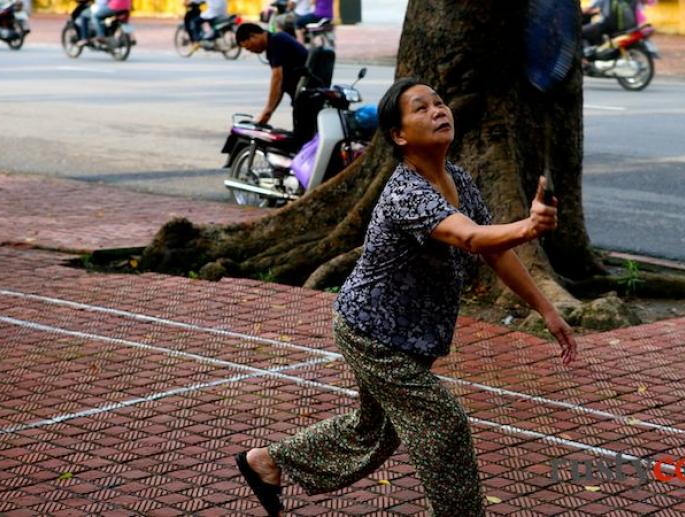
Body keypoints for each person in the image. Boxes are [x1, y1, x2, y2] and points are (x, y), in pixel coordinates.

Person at [233, 78, 578, 517]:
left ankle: (266, 463)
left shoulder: (458, 178)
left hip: (410, 336)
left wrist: (547, 310)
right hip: (371, 332)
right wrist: (529, 227)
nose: (438, 110)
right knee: (442, 424)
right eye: (421, 108)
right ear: (399, 135)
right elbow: (470, 237)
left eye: (439, 101)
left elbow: (493, 247)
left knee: (370, 431)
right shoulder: (405, 193)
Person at [237, 23, 314, 138]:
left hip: (306, 99)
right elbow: (280, 87)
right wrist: (268, 113)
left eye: (248, 47)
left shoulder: (277, 41)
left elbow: (277, 78)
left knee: (302, 140)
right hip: (302, 99)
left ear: (253, 36)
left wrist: (267, 112)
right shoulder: (274, 43)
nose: (250, 51)